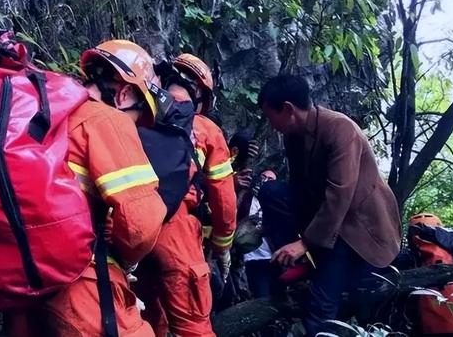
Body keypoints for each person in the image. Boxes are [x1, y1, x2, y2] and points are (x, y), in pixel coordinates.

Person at [7, 39, 167, 337]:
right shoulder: (105, 119)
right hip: (78, 284)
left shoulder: (46, 111)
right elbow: (141, 223)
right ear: (125, 93)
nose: (134, 124)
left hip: (21, 282)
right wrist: (128, 260)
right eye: (137, 114)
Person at [257, 74, 402, 336]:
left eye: (271, 117)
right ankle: (300, 265)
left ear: (288, 110)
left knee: (320, 306)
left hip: (353, 228)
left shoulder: (340, 129)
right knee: (272, 192)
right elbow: (299, 187)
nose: (272, 126)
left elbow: (340, 194)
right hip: (324, 219)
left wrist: (305, 243)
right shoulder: (294, 135)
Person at [135, 53, 236, 337]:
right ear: (201, 97)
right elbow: (224, 200)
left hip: (131, 223)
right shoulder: (205, 129)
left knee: (145, 318)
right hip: (176, 227)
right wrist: (222, 246)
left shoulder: (135, 112)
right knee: (193, 326)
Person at [242, 169, 278, 298]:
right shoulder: (245, 198)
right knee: (262, 297)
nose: (265, 181)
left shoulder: (277, 204)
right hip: (252, 258)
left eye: (270, 180)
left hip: (274, 257)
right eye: (263, 177)